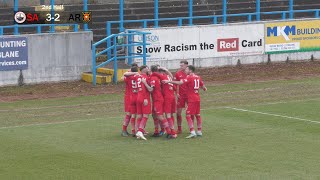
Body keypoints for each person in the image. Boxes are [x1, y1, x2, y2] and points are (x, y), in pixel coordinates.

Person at [163, 65, 207, 139]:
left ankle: (192, 131)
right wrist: (204, 88)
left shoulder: (189, 77)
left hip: (192, 99)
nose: (185, 71)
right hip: (197, 98)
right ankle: (199, 131)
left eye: (186, 69)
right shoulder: (198, 77)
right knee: (197, 114)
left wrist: (169, 81)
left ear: (190, 70)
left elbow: (180, 83)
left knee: (188, 115)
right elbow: (203, 87)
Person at [142, 65, 175, 138]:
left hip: (158, 99)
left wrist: (144, 83)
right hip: (155, 99)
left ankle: (169, 132)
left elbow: (151, 89)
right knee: (154, 115)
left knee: (160, 116)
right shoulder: (155, 77)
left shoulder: (154, 78)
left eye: (149, 69)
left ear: (151, 70)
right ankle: (157, 131)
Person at [121, 63, 138, 136]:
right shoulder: (137, 76)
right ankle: (124, 130)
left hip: (130, 96)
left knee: (133, 114)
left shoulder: (127, 76)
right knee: (130, 114)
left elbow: (122, 77)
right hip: (131, 96)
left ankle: (134, 130)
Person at [174, 60, 189, 134]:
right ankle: (179, 128)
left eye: (182, 65)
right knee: (178, 113)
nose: (181, 67)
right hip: (181, 96)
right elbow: (175, 84)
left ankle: (191, 128)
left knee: (190, 112)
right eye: (180, 65)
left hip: (189, 96)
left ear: (186, 65)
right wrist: (176, 93)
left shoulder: (190, 73)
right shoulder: (178, 73)